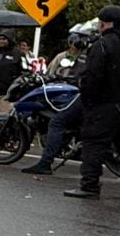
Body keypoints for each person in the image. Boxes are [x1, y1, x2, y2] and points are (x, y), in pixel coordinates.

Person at [66, 4, 120, 202]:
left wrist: (86, 96)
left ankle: (90, 186)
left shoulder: (101, 45)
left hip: (105, 105)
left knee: (94, 145)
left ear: (103, 23)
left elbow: (93, 78)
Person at [21, 27, 92, 176]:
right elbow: (51, 72)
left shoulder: (86, 57)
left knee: (57, 121)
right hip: (70, 93)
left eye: (77, 42)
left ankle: (45, 163)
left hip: (77, 95)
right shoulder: (64, 57)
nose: (75, 45)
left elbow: (80, 77)